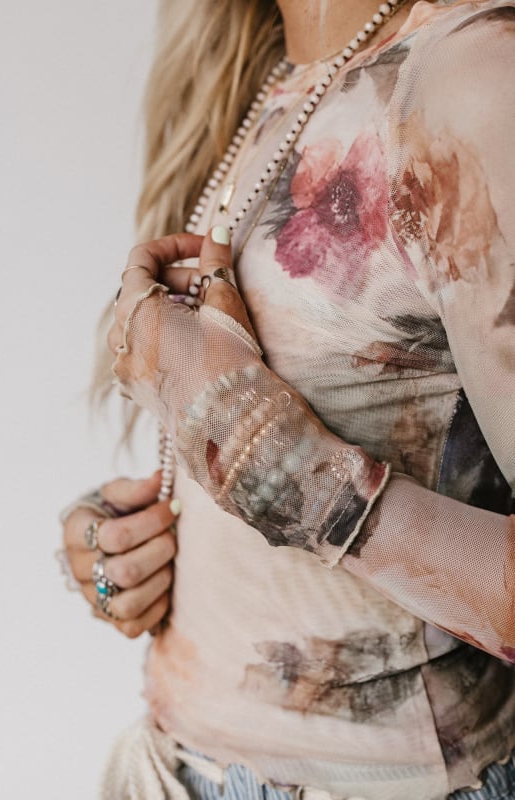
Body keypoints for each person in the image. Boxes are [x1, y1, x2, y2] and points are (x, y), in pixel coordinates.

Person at [59, 0, 515, 798]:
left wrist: (271, 462)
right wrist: (129, 551)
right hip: (171, 767)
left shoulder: (474, 74)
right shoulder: (257, 86)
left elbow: (262, 451)